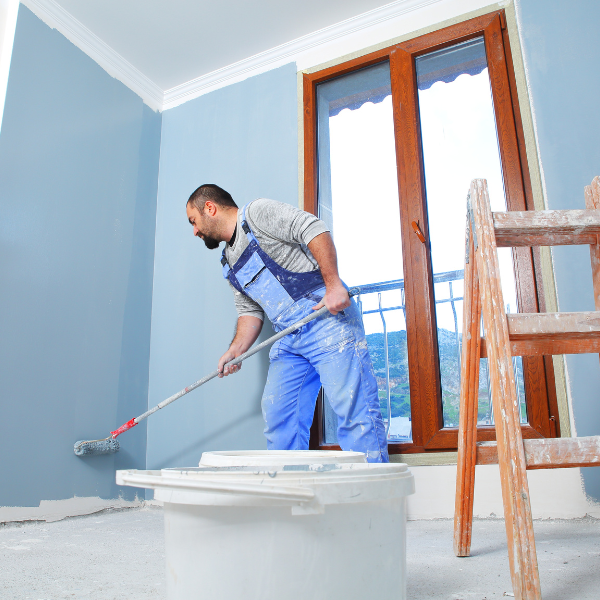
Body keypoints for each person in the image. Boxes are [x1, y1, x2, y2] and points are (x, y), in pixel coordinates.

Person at [186, 183, 389, 463]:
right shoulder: (228, 262)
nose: (194, 231)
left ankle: (374, 502)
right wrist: (236, 350)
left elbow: (312, 227)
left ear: (210, 208)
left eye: (193, 221)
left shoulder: (256, 214)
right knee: (279, 413)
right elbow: (249, 311)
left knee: (355, 411)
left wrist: (333, 285)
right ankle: (292, 496)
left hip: (324, 320)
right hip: (289, 336)